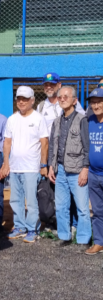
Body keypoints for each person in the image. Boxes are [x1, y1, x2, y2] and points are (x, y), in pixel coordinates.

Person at [37, 72, 85, 235]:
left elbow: (82, 128)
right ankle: (56, 224)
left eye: (52, 84)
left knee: (74, 196)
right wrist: (46, 163)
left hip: (72, 158)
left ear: (59, 85)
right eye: (46, 84)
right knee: (56, 195)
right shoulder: (41, 106)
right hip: (52, 157)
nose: (49, 87)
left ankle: (76, 226)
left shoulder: (70, 102)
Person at [2, 86, 49, 243]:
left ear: (32, 100)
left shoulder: (38, 118)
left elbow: (44, 143)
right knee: (15, 200)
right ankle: (20, 227)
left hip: (31, 168)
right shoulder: (12, 119)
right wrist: (6, 163)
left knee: (31, 201)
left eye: (25, 99)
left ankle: (32, 229)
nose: (21, 102)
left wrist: (43, 165)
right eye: (19, 99)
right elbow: (7, 142)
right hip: (15, 167)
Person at [48, 86, 92, 251]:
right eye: (60, 97)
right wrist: (51, 167)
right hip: (60, 171)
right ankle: (64, 236)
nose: (62, 99)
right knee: (61, 206)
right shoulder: (56, 121)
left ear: (74, 100)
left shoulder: (82, 120)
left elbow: (87, 147)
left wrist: (85, 168)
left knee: (81, 208)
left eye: (66, 96)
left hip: (77, 171)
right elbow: (53, 145)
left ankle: (83, 239)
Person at [85, 88, 103, 255]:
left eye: (100, 101)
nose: (96, 105)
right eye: (93, 102)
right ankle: (99, 242)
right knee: (97, 211)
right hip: (93, 173)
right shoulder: (89, 121)